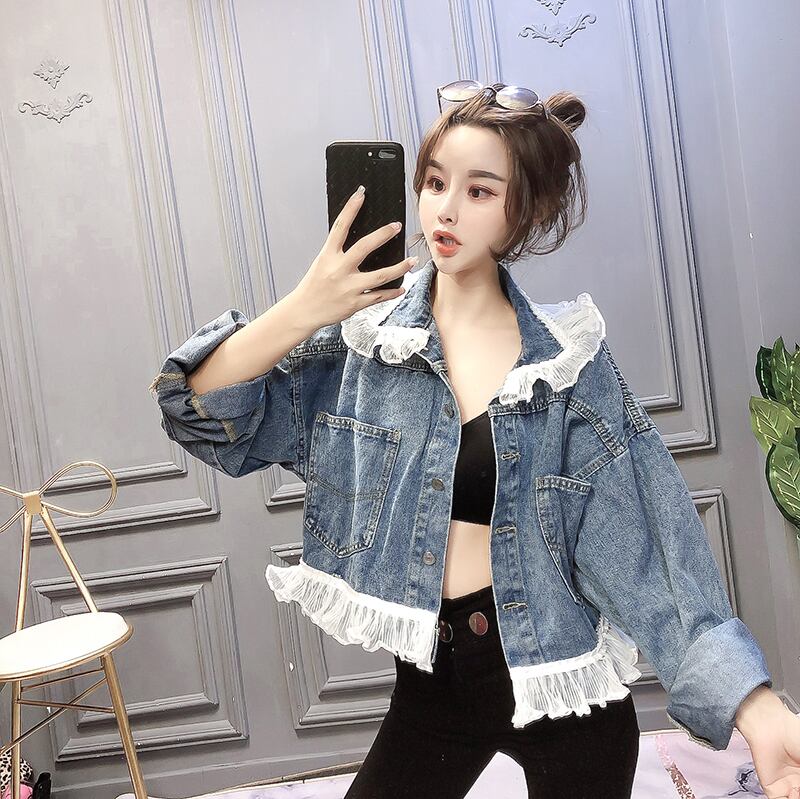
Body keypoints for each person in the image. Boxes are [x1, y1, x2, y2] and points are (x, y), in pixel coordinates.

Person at [150, 82, 800, 799]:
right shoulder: (367, 348)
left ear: (527, 210)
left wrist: (757, 709)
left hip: (560, 690)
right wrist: (305, 309)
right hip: (434, 684)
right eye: (434, 183)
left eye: (480, 191)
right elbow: (200, 408)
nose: (446, 210)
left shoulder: (567, 365)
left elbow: (649, 544)